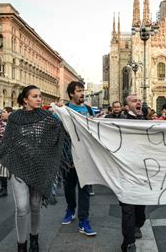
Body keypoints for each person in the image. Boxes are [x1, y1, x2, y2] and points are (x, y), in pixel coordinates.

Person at [0, 85, 67, 252]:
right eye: (35, 96)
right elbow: (7, 141)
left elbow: (62, 130)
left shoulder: (48, 117)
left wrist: (63, 112)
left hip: (39, 167)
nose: (39, 99)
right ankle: (21, 244)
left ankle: (34, 238)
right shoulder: (15, 117)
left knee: (35, 205)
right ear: (25, 99)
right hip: (18, 166)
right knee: (22, 207)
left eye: (39, 96)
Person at [61, 81, 96, 236]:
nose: (82, 93)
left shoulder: (88, 109)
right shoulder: (64, 110)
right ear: (71, 94)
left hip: (85, 156)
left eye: (83, 90)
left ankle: (84, 220)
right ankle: (70, 208)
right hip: (68, 158)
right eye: (78, 91)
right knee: (69, 187)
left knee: (85, 189)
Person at [120, 94, 147, 252]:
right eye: (133, 100)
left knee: (140, 208)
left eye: (139, 100)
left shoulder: (146, 122)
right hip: (126, 171)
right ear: (126, 106)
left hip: (143, 171)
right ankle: (128, 241)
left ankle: (138, 225)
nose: (138, 102)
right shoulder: (119, 123)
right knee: (127, 207)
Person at [0, 107, 13, 198]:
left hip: (14, 150)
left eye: (4, 112)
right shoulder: (0, 124)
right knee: (2, 169)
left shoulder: (15, 123)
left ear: (9, 113)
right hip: (2, 149)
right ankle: (3, 188)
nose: (2, 114)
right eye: (2, 112)